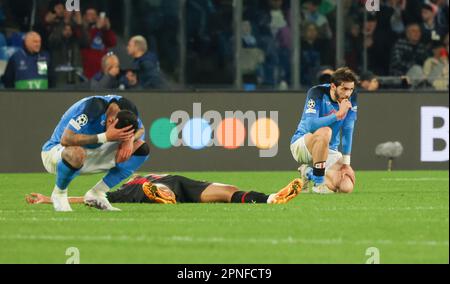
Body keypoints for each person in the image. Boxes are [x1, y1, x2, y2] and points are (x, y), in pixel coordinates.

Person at [41, 95, 150, 212]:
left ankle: (97, 193)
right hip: (57, 153)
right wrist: (105, 136)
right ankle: (59, 194)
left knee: (141, 148)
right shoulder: (92, 109)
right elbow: (66, 139)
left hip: (90, 153)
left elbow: (141, 130)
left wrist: (129, 139)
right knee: (77, 153)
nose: (118, 141)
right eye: (118, 137)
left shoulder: (127, 109)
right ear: (110, 121)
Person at [26, 174, 302, 206]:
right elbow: (87, 197)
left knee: (228, 189)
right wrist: (50, 199)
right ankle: (158, 196)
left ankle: (271, 198)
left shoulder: (151, 171)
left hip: (179, 182)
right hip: (143, 189)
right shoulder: (123, 187)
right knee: (153, 187)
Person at [290, 67, 358, 194]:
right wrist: (338, 115)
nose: (348, 93)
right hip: (303, 144)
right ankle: (318, 183)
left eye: (351, 89)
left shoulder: (351, 99)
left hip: (330, 150)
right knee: (325, 131)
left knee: (345, 187)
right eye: (344, 89)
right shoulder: (317, 92)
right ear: (333, 86)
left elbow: (348, 129)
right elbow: (310, 125)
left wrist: (346, 163)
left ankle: (308, 172)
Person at [80, 7, 117, 79]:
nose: (92, 17)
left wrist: (107, 29)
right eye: (89, 14)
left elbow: (113, 43)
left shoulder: (102, 31)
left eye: (94, 14)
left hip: (103, 70)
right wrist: (96, 28)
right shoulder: (82, 30)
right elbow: (85, 42)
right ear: (84, 17)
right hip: (89, 72)